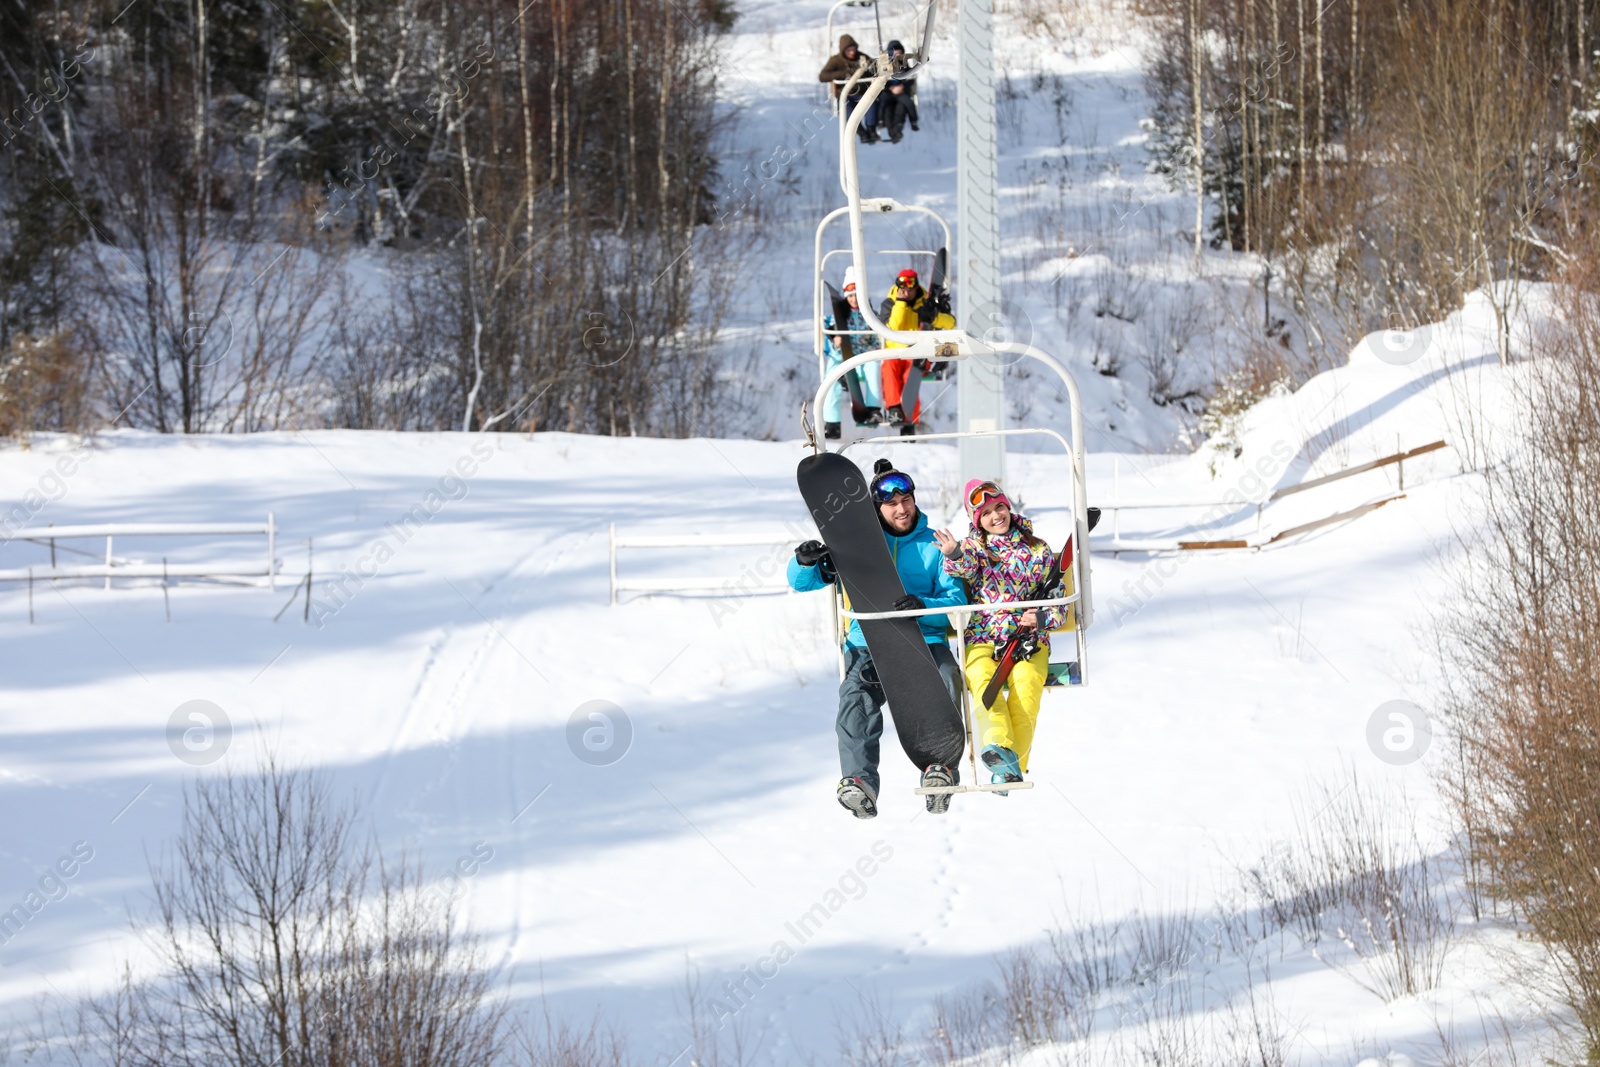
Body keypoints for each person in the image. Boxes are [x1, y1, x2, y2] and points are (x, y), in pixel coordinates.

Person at [788, 460, 968, 818]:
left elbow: (957, 601)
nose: (902, 509)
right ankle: (859, 782)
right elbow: (801, 583)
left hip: (925, 640)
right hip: (868, 641)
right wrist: (804, 562)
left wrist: (923, 606)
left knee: (947, 678)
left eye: (907, 500)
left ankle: (940, 769)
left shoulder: (936, 547)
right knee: (856, 698)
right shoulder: (855, 546)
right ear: (876, 508)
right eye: (892, 503)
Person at [933, 480, 1075, 792]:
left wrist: (1040, 618)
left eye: (999, 507)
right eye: (985, 513)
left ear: (1008, 507)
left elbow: (1059, 604)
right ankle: (999, 749)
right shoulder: (976, 550)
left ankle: (1008, 768)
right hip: (984, 637)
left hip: (1028, 641)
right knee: (985, 683)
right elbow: (965, 567)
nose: (996, 516)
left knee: (1026, 689)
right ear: (977, 521)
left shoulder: (1036, 550)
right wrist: (955, 552)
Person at [879, 268, 955, 435]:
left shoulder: (928, 303)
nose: (906, 293)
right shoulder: (889, 304)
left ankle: (909, 421)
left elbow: (951, 323)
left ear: (916, 287)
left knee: (910, 377)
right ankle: (893, 410)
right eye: (903, 290)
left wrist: (934, 317)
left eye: (909, 290)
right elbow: (892, 329)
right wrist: (901, 304)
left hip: (918, 352)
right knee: (889, 369)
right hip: (894, 351)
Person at [820, 265, 884, 440]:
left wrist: (874, 348)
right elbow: (830, 332)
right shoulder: (840, 315)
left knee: (873, 367)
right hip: (843, 356)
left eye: (857, 295)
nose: (854, 299)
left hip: (863, 356)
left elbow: (877, 338)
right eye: (851, 296)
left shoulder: (870, 314)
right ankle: (832, 423)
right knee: (831, 376)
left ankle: (873, 410)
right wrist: (836, 341)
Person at [818, 35, 880, 145]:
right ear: (843, 50)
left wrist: (867, 69)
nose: (852, 52)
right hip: (845, 95)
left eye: (853, 49)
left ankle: (871, 129)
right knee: (848, 113)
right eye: (848, 50)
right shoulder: (836, 60)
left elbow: (876, 70)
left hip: (862, 92)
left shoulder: (862, 58)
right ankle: (861, 133)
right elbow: (823, 76)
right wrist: (843, 74)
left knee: (871, 103)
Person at [876, 40, 920, 143]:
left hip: (901, 93)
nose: (898, 56)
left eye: (900, 54)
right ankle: (881, 121)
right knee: (884, 105)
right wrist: (890, 89)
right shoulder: (885, 66)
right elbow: (879, 81)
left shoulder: (905, 66)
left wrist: (902, 86)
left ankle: (913, 121)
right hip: (888, 93)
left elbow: (911, 79)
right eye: (895, 54)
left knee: (906, 104)